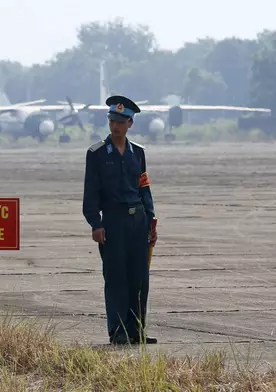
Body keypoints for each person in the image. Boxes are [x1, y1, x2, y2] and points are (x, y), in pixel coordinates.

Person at [82, 95, 158, 345]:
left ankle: (137, 330)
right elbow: (90, 192)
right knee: (116, 278)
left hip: (138, 222)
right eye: (112, 120)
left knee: (139, 279)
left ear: (130, 124)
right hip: (112, 222)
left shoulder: (138, 153)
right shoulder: (96, 154)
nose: (115, 125)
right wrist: (95, 223)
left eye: (121, 121)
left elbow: (144, 187)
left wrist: (151, 219)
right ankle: (118, 331)